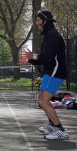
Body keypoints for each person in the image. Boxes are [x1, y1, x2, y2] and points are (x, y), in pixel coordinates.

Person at [18, 10, 69, 140]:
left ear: (45, 21)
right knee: (42, 99)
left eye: (38, 20)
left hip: (55, 72)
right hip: (50, 71)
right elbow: (42, 59)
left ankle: (60, 130)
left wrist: (32, 56)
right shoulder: (48, 35)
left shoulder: (53, 35)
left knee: (43, 100)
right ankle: (52, 124)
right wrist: (29, 60)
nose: (36, 23)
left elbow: (47, 57)